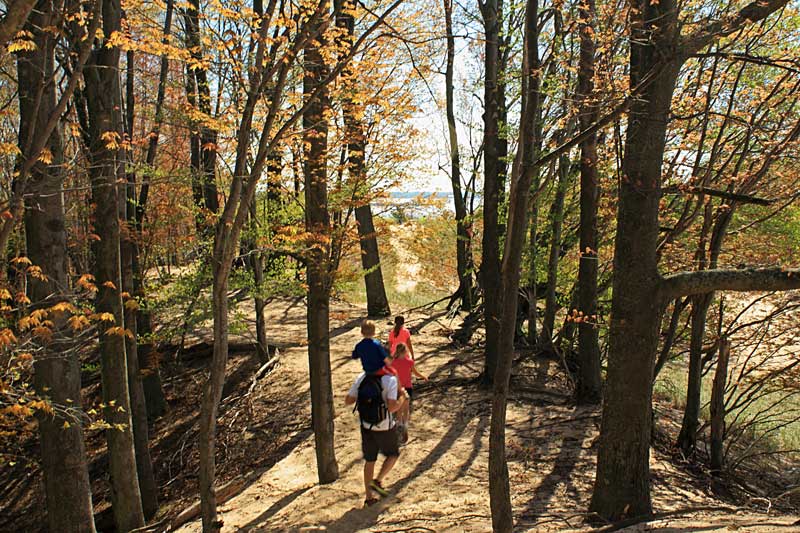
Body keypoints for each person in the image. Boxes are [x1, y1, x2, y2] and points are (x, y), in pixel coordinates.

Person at [345, 369, 407, 507]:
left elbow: (348, 401)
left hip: (366, 425)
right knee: (393, 454)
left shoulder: (361, 377)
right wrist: (402, 397)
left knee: (370, 460)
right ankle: (378, 481)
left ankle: (369, 498)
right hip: (384, 426)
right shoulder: (390, 380)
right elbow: (392, 408)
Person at [389, 343, 428, 444]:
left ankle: (399, 428)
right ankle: (405, 426)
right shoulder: (409, 362)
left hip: (397, 389)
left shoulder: (393, 363)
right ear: (405, 351)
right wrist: (423, 376)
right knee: (406, 409)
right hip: (408, 388)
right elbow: (415, 373)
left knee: (398, 410)